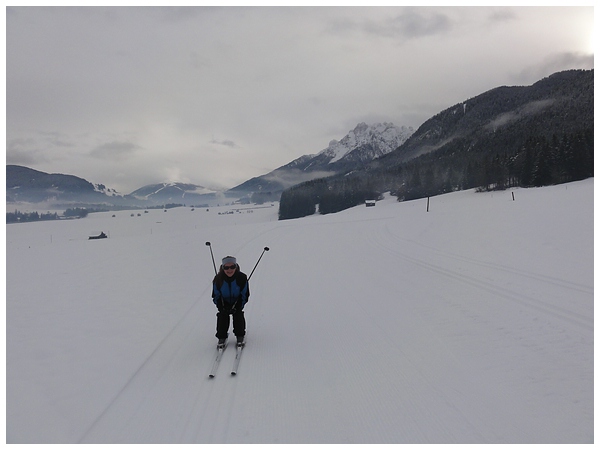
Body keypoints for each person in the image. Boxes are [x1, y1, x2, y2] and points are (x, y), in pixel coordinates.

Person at [212, 256, 249, 347]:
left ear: (236, 267)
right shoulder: (218, 279)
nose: (229, 270)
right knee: (222, 316)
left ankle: (240, 335)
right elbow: (216, 295)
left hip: (237, 302)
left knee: (238, 315)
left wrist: (239, 305)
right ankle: (221, 337)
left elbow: (245, 294)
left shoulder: (242, 278)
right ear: (223, 268)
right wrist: (221, 306)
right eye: (226, 267)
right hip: (224, 303)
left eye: (232, 267)